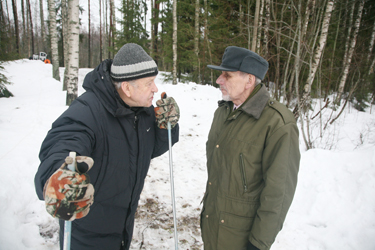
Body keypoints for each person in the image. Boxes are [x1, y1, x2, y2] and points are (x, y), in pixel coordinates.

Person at [34, 43, 180, 250]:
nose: (155, 89)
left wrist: (166, 127)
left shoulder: (142, 110)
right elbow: (64, 141)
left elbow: (149, 149)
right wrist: (57, 176)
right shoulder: (88, 110)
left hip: (123, 226)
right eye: (149, 83)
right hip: (87, 234)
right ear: (127, 88)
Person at [200, 46, 300, 250]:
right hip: (213, 227)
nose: (219, 80)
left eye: (227, 75)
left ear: (249, 80)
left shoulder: (277, 123)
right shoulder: (223, 112)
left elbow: (278, 194)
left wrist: (258, 244)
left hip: (241, 238)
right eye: (221, 74)